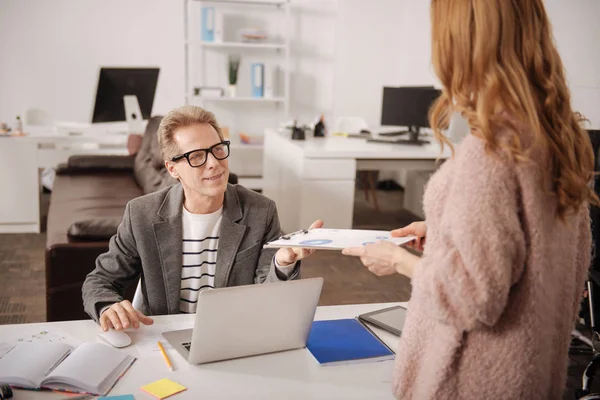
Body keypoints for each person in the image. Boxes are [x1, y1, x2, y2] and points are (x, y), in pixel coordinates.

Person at [343, 1, 596, 398]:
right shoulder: (558, 137)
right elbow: (545, 249)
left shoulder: (491, 154)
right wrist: (445, 230)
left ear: (461, 42)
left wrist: (397, 260)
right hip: (533, 371)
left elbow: (472, 300)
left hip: (474, 381)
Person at [83, 105, 322, 332]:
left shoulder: (260, 210)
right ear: (172, 168)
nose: (214, 163)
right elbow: (100, 281)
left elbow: (268, 301)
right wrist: (107, 306)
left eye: (218, 149)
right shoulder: (141, 214)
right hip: (162, 338)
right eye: (197, 156)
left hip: (231, 335)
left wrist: (282, 262)